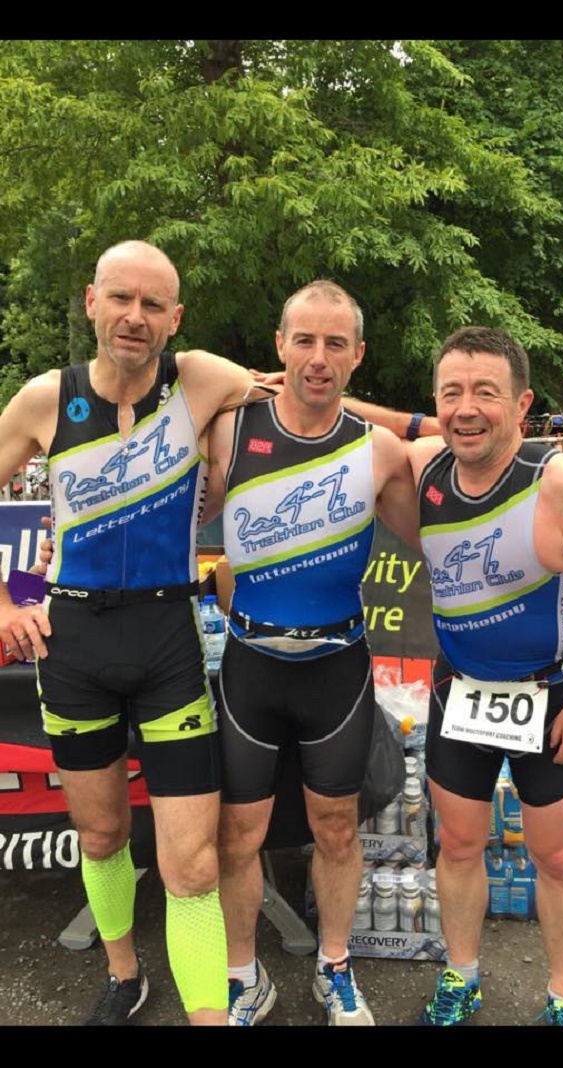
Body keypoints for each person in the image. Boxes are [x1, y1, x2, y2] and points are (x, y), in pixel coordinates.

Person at [0, 239, 273, 1027]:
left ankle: (207, 1016)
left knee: (190, 863)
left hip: (166, 638)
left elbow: (307, 402)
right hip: (74, 639)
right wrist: (8, 608)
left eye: (153, 305)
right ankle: (124, 976)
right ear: (91, 301)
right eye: (121, 298)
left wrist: (426, 426)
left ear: (175, 317)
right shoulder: (45, 399)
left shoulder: (204, 379)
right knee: (100, 831)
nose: (135, 317)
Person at [345, 325, 563, 1027]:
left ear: (522, 405)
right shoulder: (426, 468)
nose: (467, 407)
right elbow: (392, 428)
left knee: (552, 857)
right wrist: (306, 383)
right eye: (452, 392)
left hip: (551, 700)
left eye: (486, 392)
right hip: (459, 694)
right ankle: (462, 977)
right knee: (457, 845)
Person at [203, 279, 440, 1026]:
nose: (318, 356)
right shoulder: (228, 430)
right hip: (251, 666)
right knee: (238, 831)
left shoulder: (378, 452)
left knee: (337, 826)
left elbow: (441, 541)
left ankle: (334, 969)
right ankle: (244, 977)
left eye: (335, 343)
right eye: (303, 340)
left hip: (336, 666)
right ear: (278, 347)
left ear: (357, 354)